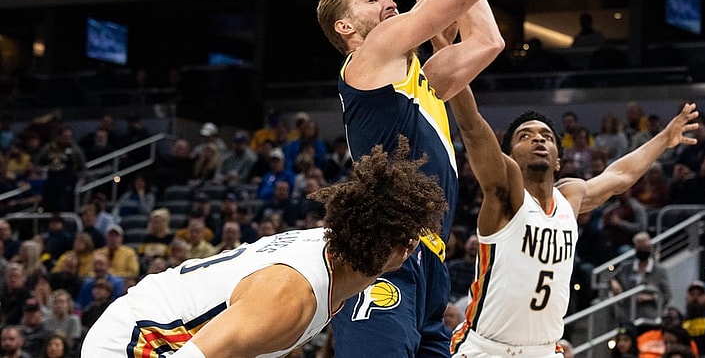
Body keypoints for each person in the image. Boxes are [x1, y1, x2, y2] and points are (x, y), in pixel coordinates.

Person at [316, 0, 503, 355]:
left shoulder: (422, 80)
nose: (388, 1)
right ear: (346, 28)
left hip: (429, 256)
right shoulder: (370, 55)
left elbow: (488, 41)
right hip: (382, 249)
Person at [80, 137, 447, 357]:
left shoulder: (335, 252)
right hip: (140, 341)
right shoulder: (292, 296)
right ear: (402, 247)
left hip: (158, 324)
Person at [445, 84, 698, 357]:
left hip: (544, 350)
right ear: (509, 157)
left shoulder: (570, 196)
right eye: (525, 136)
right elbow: (473, 129)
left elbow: (620, 175)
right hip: (488, 349)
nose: (538, 140)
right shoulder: (505, 196)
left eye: (546, 137)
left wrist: (664, 138)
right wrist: (455, 69)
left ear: (558, 161)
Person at [609, 231, 672, 323]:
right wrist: (613, 282)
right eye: (640, 248)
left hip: (649, 319)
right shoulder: (626, 267)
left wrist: (651, 297)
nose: (643, 250)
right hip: (627, 317)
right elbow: (610, 278)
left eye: (645, 247)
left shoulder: (659, 271)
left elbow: (667, 296)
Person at [682, 280, 705, 356]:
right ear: (686, 298)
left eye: (699, 294)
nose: (695, 298)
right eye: (692, 294)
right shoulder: (680, 320)